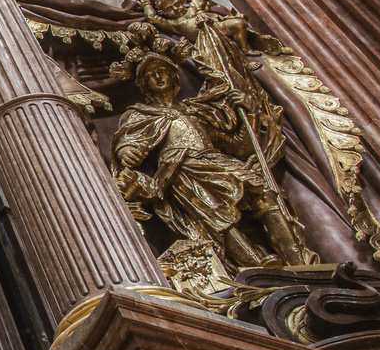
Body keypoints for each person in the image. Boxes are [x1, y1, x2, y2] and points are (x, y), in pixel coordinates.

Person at [113, 52, 309, 279]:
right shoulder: (140, 114)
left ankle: (298, 263)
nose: (158, 76)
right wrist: (126, 153)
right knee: (215, 216)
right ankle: (258, 269)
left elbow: (238, 146)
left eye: (162, 71)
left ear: (174, 77)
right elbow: (126, 141)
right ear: (144, 85)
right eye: (150, 75)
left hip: (214, 159)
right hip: (180, 169)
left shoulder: (196, 110)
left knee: (264, 193)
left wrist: (251, 113)